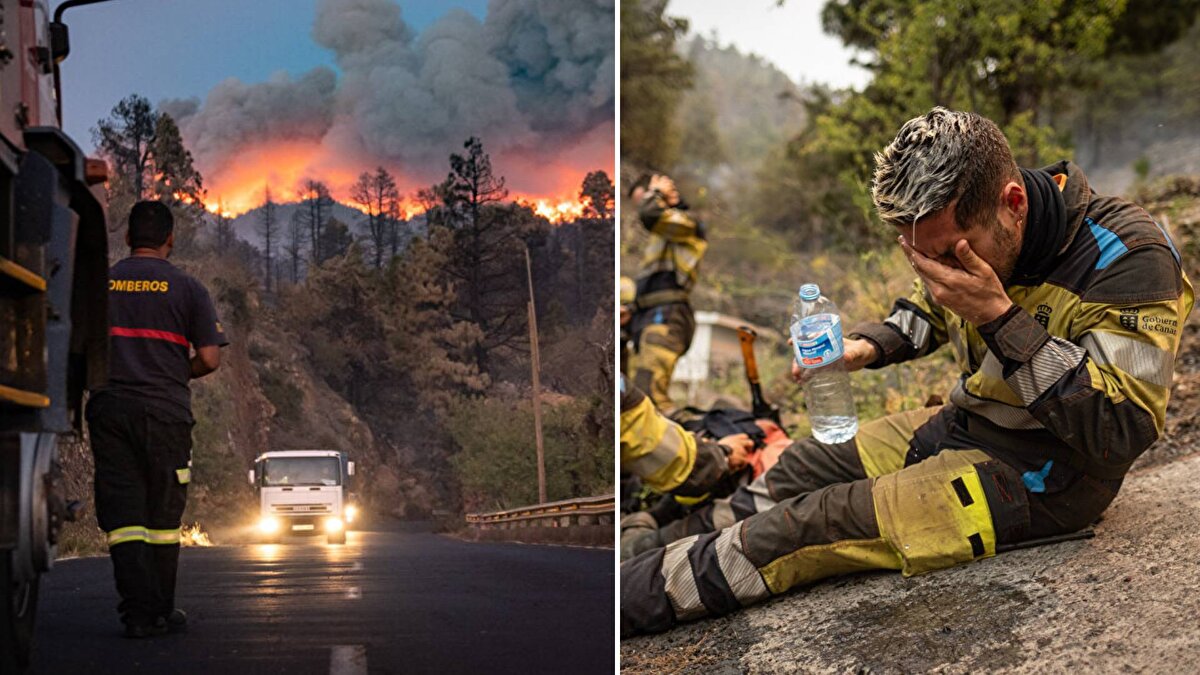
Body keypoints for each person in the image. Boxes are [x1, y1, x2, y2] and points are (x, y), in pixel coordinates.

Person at [620, 108, 1194, 637]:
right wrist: (863, 349)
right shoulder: (971, 235)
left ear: (1013, 203)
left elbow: (1120, 431)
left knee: (805, 526)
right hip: (966, 422)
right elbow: (927, 308)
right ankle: (638, 548)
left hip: (1049, 472)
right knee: (804, 464)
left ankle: (619, 600)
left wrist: (998, 315)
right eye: (921, 257)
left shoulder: (1129, 256)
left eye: (948, 256)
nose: (938, 272)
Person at [86, 201, 228, 638]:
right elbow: (209, 357)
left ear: (127, 238)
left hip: (110, 410)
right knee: (164, 518)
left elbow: (80, 349)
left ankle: (137, 614)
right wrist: (172, 371)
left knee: (125, 516)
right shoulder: (188, 289)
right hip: (166, 413)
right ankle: (162, 610)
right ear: (170, 239)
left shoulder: (100, 285)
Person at [625, 173, 707, 418]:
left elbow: (651, 214)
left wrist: (658, 192)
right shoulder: (662, 236)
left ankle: (695, 440)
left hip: (667, 316)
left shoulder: (686, 224)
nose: (643, 206)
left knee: (650, 397)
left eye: (648, 197)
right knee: (637, 392)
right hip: (651, 316)